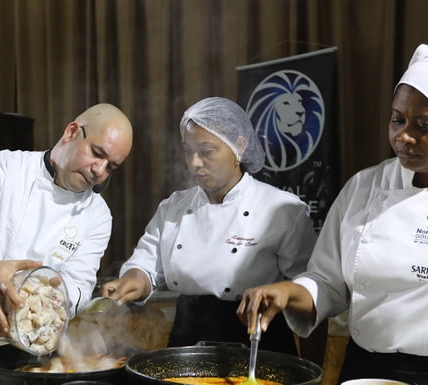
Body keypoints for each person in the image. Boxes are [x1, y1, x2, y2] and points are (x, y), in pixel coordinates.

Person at [237, 43, 428, 385]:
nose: (404, 137)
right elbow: (327, 281)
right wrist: (289, 292)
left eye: (425, 126)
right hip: (367, 381)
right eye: (397, 120)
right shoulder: (363, 187)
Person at [101, 97, 322, 357]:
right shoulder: (174, 206)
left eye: (206, 151)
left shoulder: (282, 209)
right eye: (188, 151)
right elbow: (147, 263)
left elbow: (311, 291)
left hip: (258, 342)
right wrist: (135, 279)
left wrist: (315, 369)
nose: (194, 163)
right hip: (187, 339)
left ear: (239, 147)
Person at [0, 103, 133, 339]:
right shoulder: (1, 168)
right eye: (97, 153)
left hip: (32, 343)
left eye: (111, 167)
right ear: (71, 132)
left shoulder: (97, 215)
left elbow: (79, 286)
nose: (99, 171)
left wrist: (41, 296)